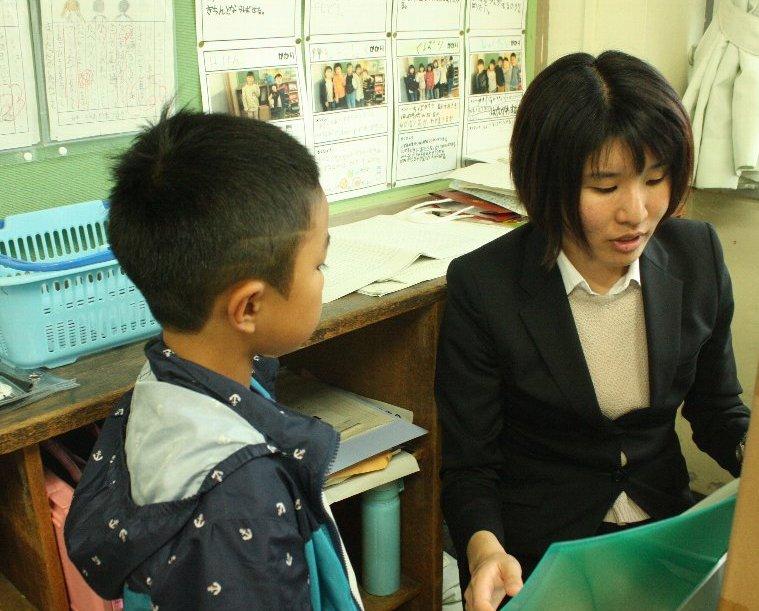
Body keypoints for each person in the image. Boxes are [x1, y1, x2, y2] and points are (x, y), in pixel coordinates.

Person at [437, 51, 750, 611]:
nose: (637, 212)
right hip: (538, 553)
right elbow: (470, 468)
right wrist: (485, 552)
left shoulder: (697, 254)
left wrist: (752, 453)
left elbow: (718, 411)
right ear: (547, 183)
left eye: (655, 179)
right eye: (605, 187)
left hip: (664, 533)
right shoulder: (484, 287)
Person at [64, 109, 363, 610]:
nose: (322, 278)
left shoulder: (163, 379)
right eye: (319, 263)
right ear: (248, 307)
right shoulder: (241, 499)